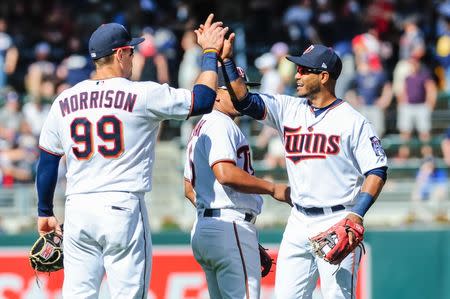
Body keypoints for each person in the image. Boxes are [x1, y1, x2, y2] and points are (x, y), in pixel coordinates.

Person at [35, 15, 228, 298]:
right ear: (120, 54)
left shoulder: (65, 100)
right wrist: (210, 53)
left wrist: (44, 212)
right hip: (121, 206)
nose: (134, 57)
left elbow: (48, 160)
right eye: (132, 51)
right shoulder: (141, 94)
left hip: (78, 208)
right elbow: (202, 100)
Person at [222, 43, 388, 298]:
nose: (296, 75)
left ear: (323, 76)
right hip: (298, 220)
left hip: (337, 219)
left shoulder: (352, 121)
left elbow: (376, 170)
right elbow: (243, 101)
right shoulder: (289, 108)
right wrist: (227, 60)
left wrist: (356, 215)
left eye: (303, 69)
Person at [184, 62, 292, 298]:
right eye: (233, 88)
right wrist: (273, 188)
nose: (242, 93)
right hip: (230, 225)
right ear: (216, 94)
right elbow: (225, 174)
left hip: (207, 227)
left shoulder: (201, 126)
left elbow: (189, 189)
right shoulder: (220, 123)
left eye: (242, 87)